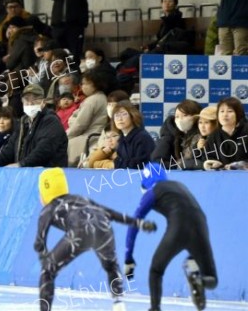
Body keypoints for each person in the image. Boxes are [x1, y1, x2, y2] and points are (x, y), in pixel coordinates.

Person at [34, 168, 156, 311]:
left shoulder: (48, 209)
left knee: (47, 271)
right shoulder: (81, 199)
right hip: (104, 229)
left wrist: (45, 260)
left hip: (79, 232)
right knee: (111, 266)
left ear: (45, 191)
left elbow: (39, 241)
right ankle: (118, 302)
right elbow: (110, 213)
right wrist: (138, 223)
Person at [125, 163, 218, 311]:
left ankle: (155, 308)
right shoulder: (180, 186)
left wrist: (128, 258)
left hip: (178, 225)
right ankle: (199, 279)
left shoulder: (152, 191)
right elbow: (191, 209)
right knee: (212, 279)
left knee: (156, 270)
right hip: (201, 224)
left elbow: (134, 222)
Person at [0, 84, 68, 170]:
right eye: (27, 100)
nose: (30, 103)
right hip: (27, 174)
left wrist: (21, 164)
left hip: (49, 177)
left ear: (43, 102)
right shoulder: (23, 123)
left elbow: (44, 150)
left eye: (35, 100)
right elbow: (9, 151)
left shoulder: (51, 121)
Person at [66, 70, 109, 166]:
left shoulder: (91, 101)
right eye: (82, 84)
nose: (83, 87)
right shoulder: (101, 97)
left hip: (89, 137)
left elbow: (79, 125)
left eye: (86, 84)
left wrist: (65, 137)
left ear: (95, 84)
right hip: (93, 135)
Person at [150, 100, 201, 169]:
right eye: (177, 116)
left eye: (185, 115)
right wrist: (179, 165)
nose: (180, 120)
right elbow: (157, 161)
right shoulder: (169, 136)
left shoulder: (204, 135)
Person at [201, 97, 248, 170]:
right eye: (222, 111)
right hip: (222, 177)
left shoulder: (246, 130)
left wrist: (240, 165)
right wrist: (212, 163)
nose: (225, 115)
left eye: (230, 111)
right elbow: (207, 157)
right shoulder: (214, 135)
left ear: (238, 113)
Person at [112, 101, 155, 170]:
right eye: (117, 115)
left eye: (124, 114)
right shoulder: (122, 139)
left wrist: (119, 162)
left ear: (132, 116)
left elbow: (139, 165)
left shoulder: (142, 138)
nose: (120, 119)